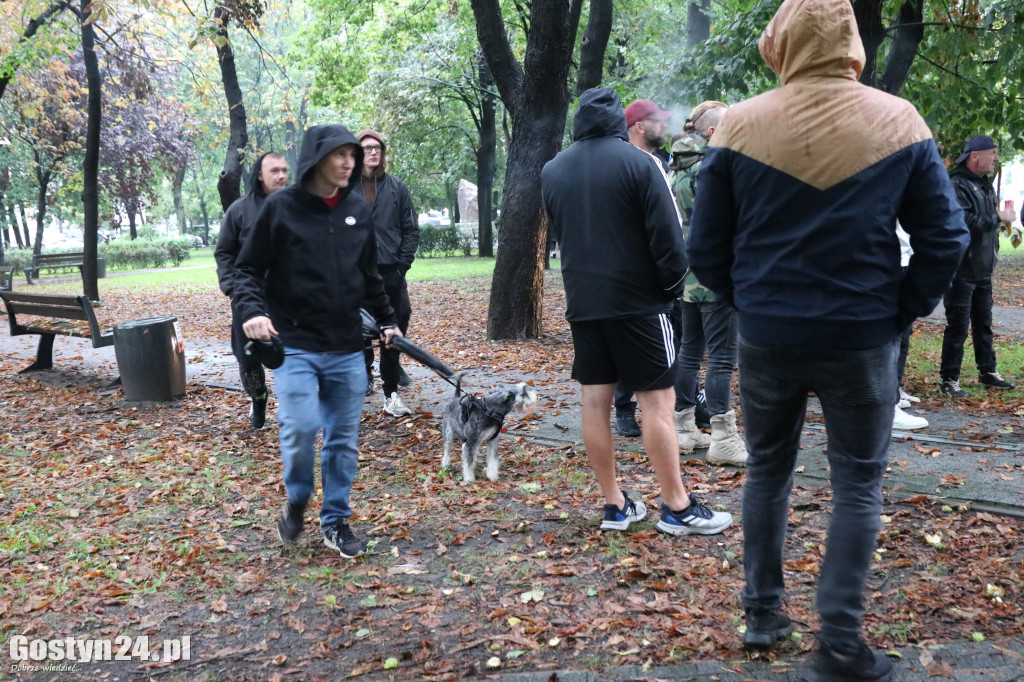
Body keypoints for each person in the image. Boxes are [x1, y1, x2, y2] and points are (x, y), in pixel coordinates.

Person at [686, 0, 968, 679]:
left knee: (769, 470)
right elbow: (946, 236)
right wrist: (898, 310)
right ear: (850, 44)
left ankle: (762, 614)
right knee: (858, 485)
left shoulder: (738, 126)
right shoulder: (897, 121)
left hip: (769, 336)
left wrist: (749, 301)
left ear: (779, 42)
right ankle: (839, 644)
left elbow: (703, 248)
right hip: (861, 337)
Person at [542, 87, 732, 538]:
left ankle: (614, 505)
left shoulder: (552, 170)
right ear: (616, 122)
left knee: (595, 403)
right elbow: (669, 239)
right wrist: (667, 292)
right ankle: (677, 506)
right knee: (657, 403)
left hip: (584, 306)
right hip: (639, 305)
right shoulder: (640, 163)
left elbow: (562, 233)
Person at [233, 125, 400, 560]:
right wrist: (252, 312)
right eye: (340, 155)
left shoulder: (356, 210)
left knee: (343, 440)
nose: (350, 163)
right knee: (303, 427)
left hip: (347, 346)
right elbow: (246, 270)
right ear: (317, 158)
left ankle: (336, 520)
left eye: (353, 156)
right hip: (296, 345)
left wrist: (387, 319)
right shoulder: (280, 209)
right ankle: (298, 499)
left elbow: (369, 275)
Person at [669, 101, 747, 465]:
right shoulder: (715, 168)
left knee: (689, 351)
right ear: (714, 132)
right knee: (721, 356)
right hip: (718, 275)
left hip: (688, 275)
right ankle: (724, 439)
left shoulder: (676, 168)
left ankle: (683, 429)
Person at [611, 98, 673, 438]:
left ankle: (680, 409)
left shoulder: (660, 162)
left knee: (668, 345)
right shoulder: (627, 165)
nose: (664, 125)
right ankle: (625, 408)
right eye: (657, 120)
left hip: (662, 275)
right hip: (635, 278)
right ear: (639, 126)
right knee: (628, 345)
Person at [939, 135, 1018, 397]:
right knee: (958, 327)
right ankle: (949, 379)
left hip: (982, 269)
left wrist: (1000, 221)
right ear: (975, 156)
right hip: (960, 270)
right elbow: (964, 222)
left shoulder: (984, 184)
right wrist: (997, 216)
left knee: (983, 324)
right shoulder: (956, 184)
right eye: (992, 153)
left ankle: (987, 371)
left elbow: (986, 223)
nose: (996, 158)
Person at [215, 152, 288, 429]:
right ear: (260, 174)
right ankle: (258, 397)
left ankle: (293, 409)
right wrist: (233, 289)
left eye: (284, 170)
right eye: (275, 171)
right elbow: (224, 254)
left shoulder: (296, 207)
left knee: (290, 356)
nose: (282, 176)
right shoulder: (239, 210)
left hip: (287, 303)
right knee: (248, 361)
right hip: (248, 301)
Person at [352, 129, 420, 417]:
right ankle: (362, 375)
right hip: (355, 275)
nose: (373, 152)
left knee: (395, 329)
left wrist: (401, 264)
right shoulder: (345, 188)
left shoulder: (396, 187)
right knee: (357, 332)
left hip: (391, 272)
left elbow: (410, 229)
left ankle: (390, 392)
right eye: (367, 148)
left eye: (377, 147)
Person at [893, 224, 928, 430]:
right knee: (894, 337)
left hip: (905, 259)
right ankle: (888, 403)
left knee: (903, 334)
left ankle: (894, 391)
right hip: (892, 260)